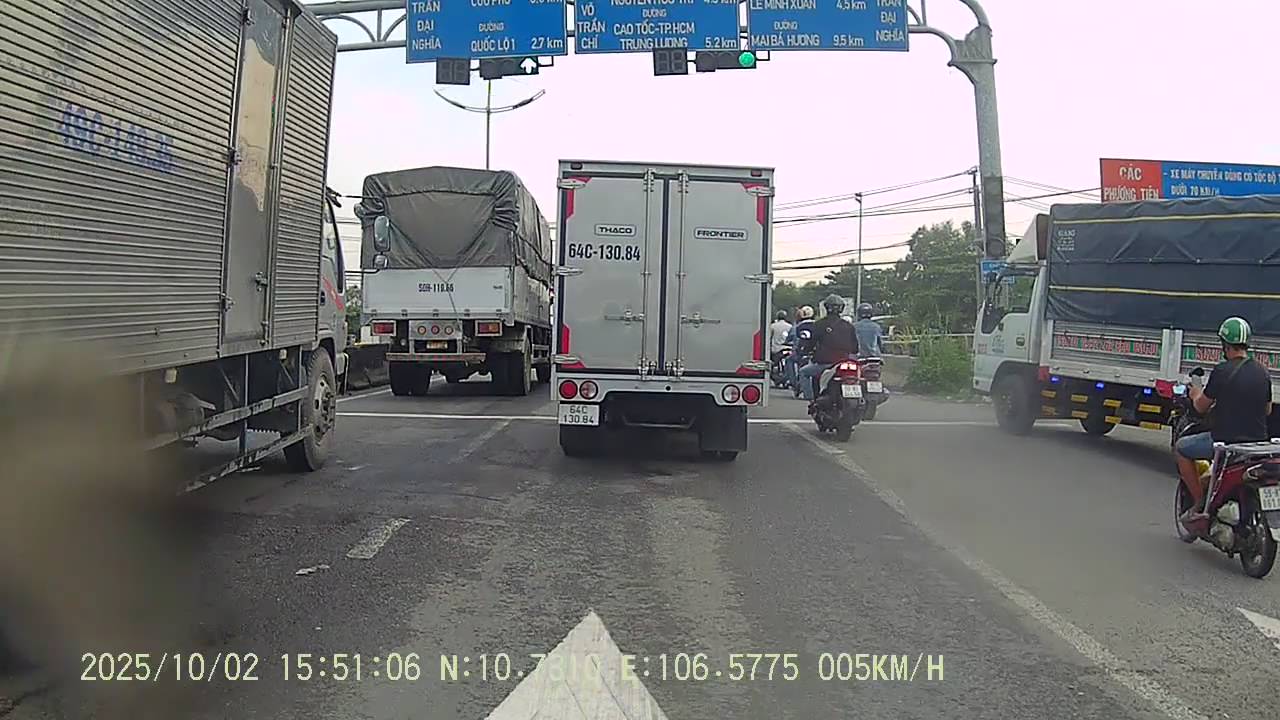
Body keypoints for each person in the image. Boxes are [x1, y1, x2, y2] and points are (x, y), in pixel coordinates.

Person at [1174, 316, 1273, 520]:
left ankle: (1200, 502)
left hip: (1226, 442)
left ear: (1225, 344)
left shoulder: (1221, 371)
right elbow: (1267, 410)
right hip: (1257, 444)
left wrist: (1195, 393)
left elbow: (1200, 407)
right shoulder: (1262, 372)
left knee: (1181, 448)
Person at [798, 295, 858, 403]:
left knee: (803, 372)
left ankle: (811, 400)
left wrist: (805, 351)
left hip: (825, 363)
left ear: (826, 307)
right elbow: (855, 348)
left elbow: (811, 343)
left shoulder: (819, 324)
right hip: (844, 362)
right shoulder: (849, 326)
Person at [786, 305, 816, 390]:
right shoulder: (817, 325)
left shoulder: (798, 326)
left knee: (789, 360)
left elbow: (796, 341)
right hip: (814, 353)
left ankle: (793, 382)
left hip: (801, 353)